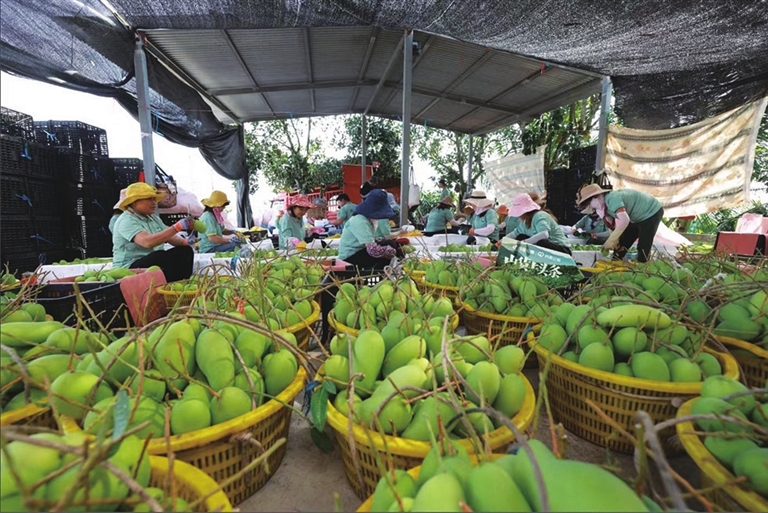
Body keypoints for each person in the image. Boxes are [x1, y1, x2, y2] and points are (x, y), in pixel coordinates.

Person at [112, 182, 194, 282]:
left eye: (154, 199)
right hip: (129, 267)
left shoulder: (153, 219)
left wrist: (185, 241)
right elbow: (147, 242)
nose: (154, 202)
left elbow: (170, 237)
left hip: (151, 262)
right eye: (149, 199)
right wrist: (177, 227)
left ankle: (182, 283)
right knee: (160, 256)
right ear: (134, 202)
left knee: (185, 251)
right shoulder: (126, 220)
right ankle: (167, 285)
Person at [576, 183, 664, 263]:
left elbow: (624, 220)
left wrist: (611, 240)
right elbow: (611, 226)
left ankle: (643, 267)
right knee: (622, 244)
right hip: (635, 218)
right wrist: (614, 240)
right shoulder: (603, 207)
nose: (591, 206)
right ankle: (615, 263)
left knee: (643, 245)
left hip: (651, 212)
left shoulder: (612, 199)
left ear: (596, 197)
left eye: (589, 202)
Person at [338, 189, 404, 269]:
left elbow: (373, 240)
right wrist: (392, 252)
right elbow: (372, 250)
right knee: (389, 245)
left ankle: (381, 272)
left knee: (390, 243)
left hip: (358, 253)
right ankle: (380, 273)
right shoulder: (360, 221)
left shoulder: (367, 220)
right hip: (349, 259)